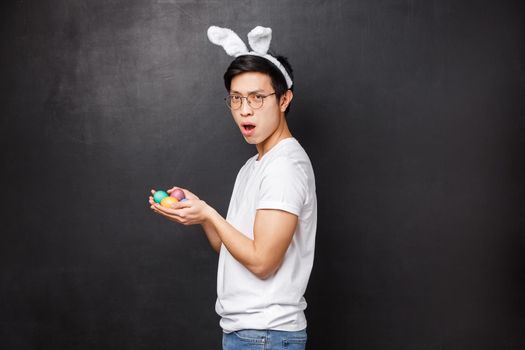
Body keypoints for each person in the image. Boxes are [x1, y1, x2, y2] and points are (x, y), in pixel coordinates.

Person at [148, 26, 317, 350]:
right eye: (236, 99)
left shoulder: (284, 166)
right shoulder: (253, 166)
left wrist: (211, 213)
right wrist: (204, 217)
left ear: (284, 99)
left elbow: (263, 261)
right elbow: (236, 249)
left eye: (257, 97)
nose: (244, 110)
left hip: (266, 335)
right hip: (248, 333)